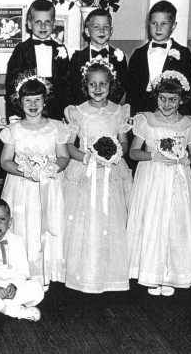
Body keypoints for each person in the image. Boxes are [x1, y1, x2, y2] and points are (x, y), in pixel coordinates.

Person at [127, 71, 191, 296]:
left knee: (175, 224)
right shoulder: (146, 121)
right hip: (152, 178)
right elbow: (134, 152)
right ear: (156, 97)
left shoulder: (188, 124)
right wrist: (153, 156)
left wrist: (186, 159)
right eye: (162, 98)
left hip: (176, 180)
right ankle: (152, 274)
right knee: (153, 222)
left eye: (173, 99)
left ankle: (172, 275)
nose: (167, 104)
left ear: (182, 99)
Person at [62, 59, 132, 293]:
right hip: (86, 170)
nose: (98, 88)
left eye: (103, 83)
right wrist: (87, 158)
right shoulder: (78, 112)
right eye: (93, 84)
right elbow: (69, 146)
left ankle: (110, 275)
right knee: (86, 220)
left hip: (112, 172)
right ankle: (84, 274)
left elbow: (123, 141)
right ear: (86, 85)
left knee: (111, 219)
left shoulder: (119, 112)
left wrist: (114, 155)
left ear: (111, 85)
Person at [0, 74, 70, 287]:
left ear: (45, 101)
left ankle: (46, 272)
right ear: (19, 103)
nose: (33, 105)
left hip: (50, 184)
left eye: (38, 99)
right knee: (23, 225)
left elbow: (64, 156)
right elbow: (5, 161)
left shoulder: (57, 127)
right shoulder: (13, 130)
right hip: (22, 186)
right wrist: (26, 172)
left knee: (48, 221)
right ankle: (25, 273)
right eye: (28, 100)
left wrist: (51, 168)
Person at [5, 0, 70, 122]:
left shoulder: (60, 49)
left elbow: (67, 84)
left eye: (47, 22)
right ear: (29, 24)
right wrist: (14, 112)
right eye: (38, 22)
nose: (43, 26)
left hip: (56, 109)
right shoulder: (21, 50)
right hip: (30, 108)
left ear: (54, 23)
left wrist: (67, 111)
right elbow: (12, 83)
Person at [128, 0, 191, 115]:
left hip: (172, 112)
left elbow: (189, 91)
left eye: (164, 23)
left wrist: (185, 118)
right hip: (143, 111)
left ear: (173, 26)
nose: (158, 28)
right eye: (154, 23)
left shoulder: (183, 53)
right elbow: (131, 92)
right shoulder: (138, 54)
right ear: (148, 24)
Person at [69, 8, 128, 105]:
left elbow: (122, 86)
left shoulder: (118, 58)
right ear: (88, 32)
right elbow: (74, 87)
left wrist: (107, 106)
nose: (102, 31)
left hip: (110, 109)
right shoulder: (78, 57)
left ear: (111, 31)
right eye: (96, 27)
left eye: (106, 27)